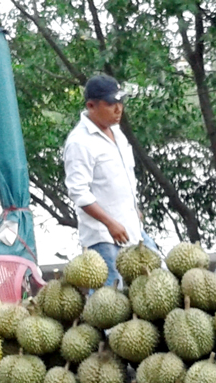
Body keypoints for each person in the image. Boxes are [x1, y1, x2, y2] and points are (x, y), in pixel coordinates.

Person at [63, 74, 160, 287]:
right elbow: (79, 192)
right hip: (104, 236)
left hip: (131, 228)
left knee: (157, 280)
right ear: (91, 105)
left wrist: (134, 209)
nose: (118, 109)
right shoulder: (80, 142)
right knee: (109, 300)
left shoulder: (117, 132)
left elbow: (121, 176)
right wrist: (109, 223)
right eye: (110, 104)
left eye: (120, 102)